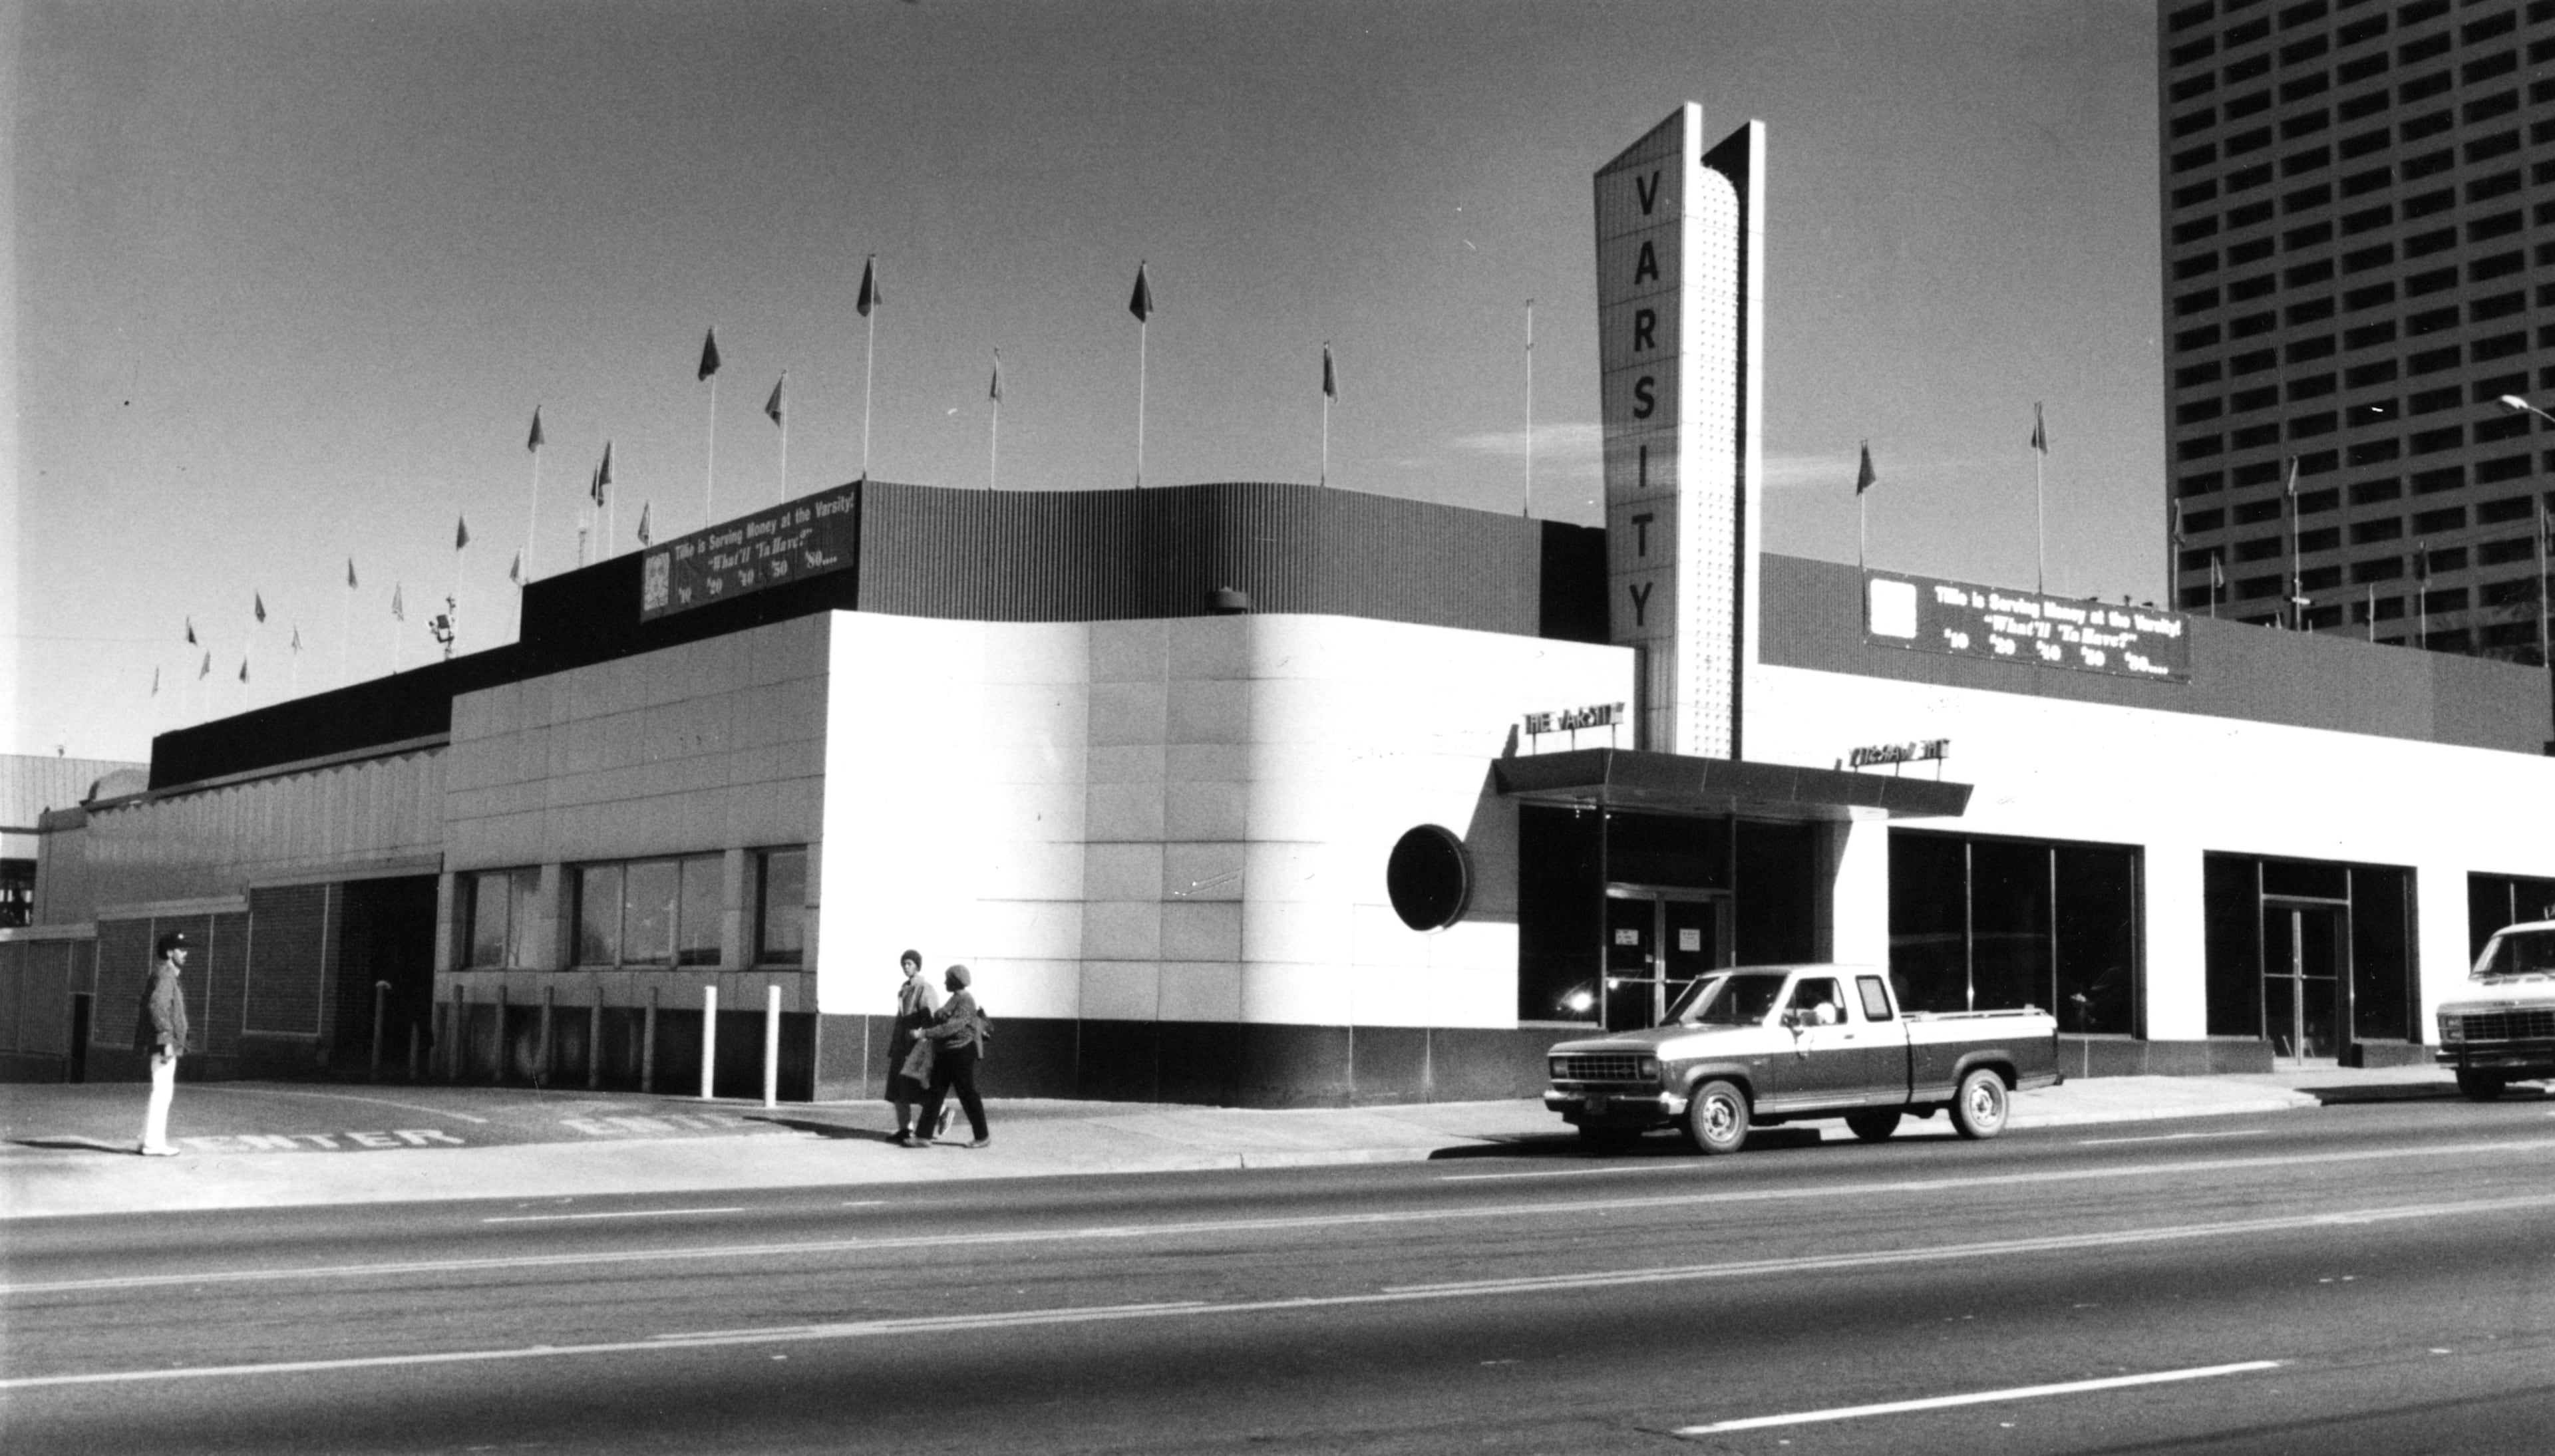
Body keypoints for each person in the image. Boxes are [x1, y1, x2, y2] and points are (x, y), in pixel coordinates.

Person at [907, 964, 991, 1149]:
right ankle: (923, 1136)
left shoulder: (966, 1001)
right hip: (946, 1053)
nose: (945, 982)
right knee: (935, 1093)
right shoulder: (955, 999)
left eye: (948, 979)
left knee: (968, 1094)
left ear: (955, 981)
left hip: (961, 1053)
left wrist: (923, 1034)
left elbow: (951, 1027)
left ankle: (983, 1136)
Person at [134, 930, 192, 1156]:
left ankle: (146, 1140)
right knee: (162, 1092)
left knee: (161, 1091)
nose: (186, 953)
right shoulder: (166, 975)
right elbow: (157, 1007)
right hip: (163, 1044)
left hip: (163, 1042)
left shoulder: (166, 974)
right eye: (181, 949)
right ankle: (152, 1144)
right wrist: (167, 1038)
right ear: (169, 952)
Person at [886, 949, 941, 1146]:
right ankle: (905, 1129)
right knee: (898, 1090)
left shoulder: (925, 989)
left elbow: (933, 1018)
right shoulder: (904, 989)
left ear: (918, 965)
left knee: (915, 1088)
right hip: (902, 1046)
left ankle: (941, 1112)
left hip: (916, 1047)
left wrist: (922, 1035)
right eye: (904, 963)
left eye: (909, 963)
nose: (906, 967)